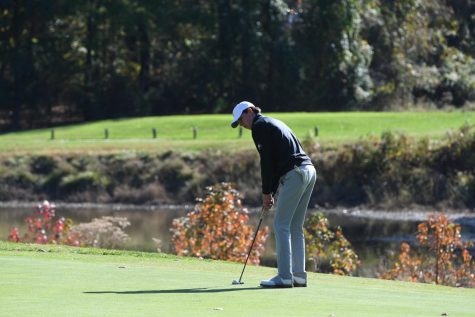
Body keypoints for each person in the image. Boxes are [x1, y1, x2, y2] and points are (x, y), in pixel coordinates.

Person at [230, 101, 317, 288]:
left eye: (242, 120)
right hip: (308, 170)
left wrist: (266, 193)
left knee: (281, 224)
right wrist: (271, 192)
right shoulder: (273, 122)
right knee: (295, 226)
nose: (243, 125)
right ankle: (299, 276)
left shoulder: (259, 127)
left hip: (295, 173)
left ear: (250, 111)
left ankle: (285, 276)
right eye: (239, 123)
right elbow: (278, 160)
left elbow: (267, 163)